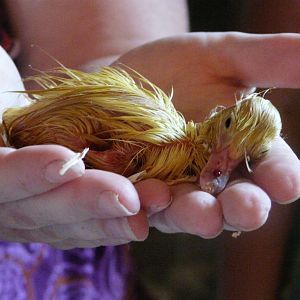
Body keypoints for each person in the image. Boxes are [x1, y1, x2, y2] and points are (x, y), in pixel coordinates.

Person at [0, 1, 300, 299]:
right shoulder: (165, 139)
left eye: (245, 154)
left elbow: (99, 33)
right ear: (223, 114)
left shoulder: (178, 144)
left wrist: (107, 61)